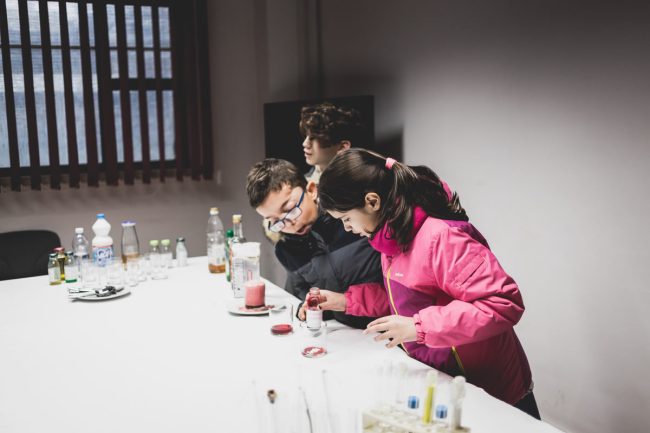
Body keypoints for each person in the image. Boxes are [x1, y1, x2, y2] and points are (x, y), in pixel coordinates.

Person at [314, 148, 540, 419]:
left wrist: (418, 327)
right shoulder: (392, 239)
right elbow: (407, 302)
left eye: (346, 219)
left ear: (372, 201)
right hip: (450, 380)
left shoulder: (440, 238)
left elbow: (502, 303)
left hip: (493, 387)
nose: (347, 228)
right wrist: (345, 301)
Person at [245, 158, 387, 329]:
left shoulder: (352, 219)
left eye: (290, 209)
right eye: (275, 221)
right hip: (345, 333)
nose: (290, 224)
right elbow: (304, 293)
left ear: (311, 190)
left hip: (390, 326)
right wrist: (308, 307)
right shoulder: (287, 250)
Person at [299, 102, 365, 183]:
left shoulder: (359, 184)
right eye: (306, 135)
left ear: (342, 147)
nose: (305, 144)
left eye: (313, 138)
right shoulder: (300, 182)